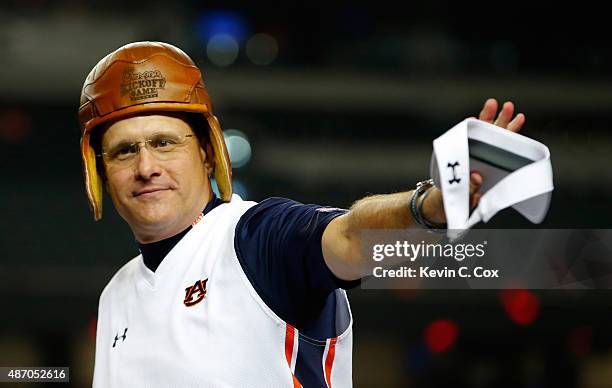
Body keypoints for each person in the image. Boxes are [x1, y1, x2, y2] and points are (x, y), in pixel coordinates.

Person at [79, 41, 525, 387]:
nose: (146, 167)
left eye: (164, 142)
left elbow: (351, 237)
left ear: (209, 156)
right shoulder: (115, 294)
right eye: (123, 152)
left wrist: (428, 206)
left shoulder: (256, 238)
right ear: (101, 174)